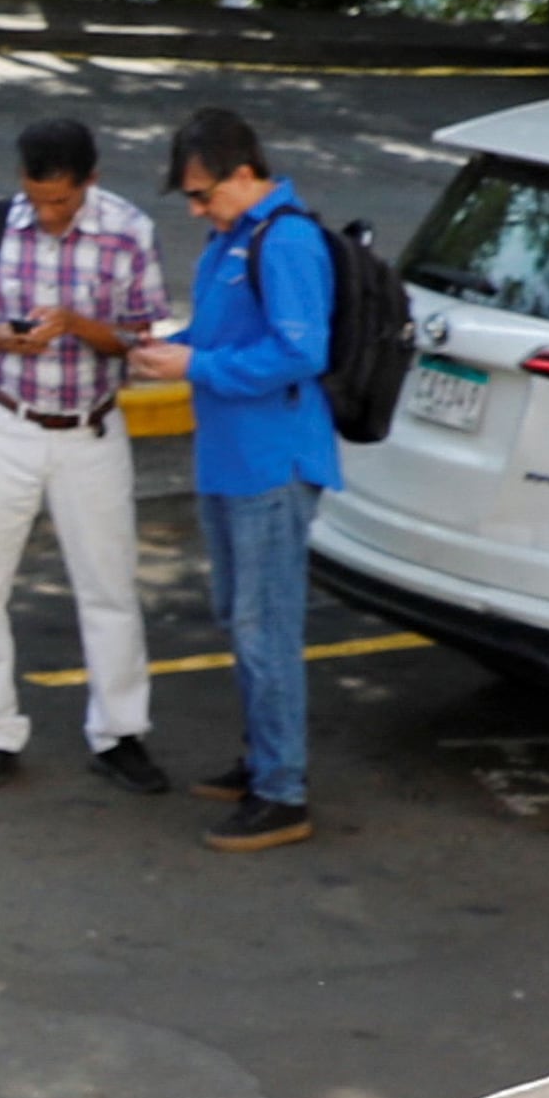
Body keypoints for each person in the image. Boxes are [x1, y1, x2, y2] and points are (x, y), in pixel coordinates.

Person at [0, 115, 172, 793]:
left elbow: (138, 342)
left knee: (108, 587)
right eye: (37, 197)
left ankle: (121, 732)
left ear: (90, 182)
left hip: (89, 429)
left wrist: (77, 326)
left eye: (61, 201)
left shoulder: (128, 232)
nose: (47, 212)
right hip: (4, 419)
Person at [129, 105, 341, 851]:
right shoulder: (234, 238)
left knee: (265, 624)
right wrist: (174, 350)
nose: (194, 208)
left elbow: (299, 353)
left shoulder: (284, 242)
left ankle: (282, 790)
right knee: (240, 615)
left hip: (270, 462)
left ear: (245, 176)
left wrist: (196, 364)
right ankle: (263, 761)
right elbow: (223, 339)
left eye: (201, 193)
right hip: (230, 458)